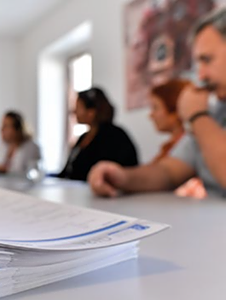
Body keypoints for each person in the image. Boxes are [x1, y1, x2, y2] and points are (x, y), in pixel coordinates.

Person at [89, 8, 226, 198]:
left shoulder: (203, 117)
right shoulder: (217, 112)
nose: (201, 76)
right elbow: (168, 172)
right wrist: (122, 177)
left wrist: (197, 116)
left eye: (207, 60)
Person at [57, 87, 139, 181]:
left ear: (91, 112)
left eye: (78, 107)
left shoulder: (114, 137)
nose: (74, 111)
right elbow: (68, 172)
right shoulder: (83, 137)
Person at [148, 79, 206, 199]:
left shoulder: (192, 148)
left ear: (176, 111)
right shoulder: (168, 148)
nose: (150, 115)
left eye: (155, 107)